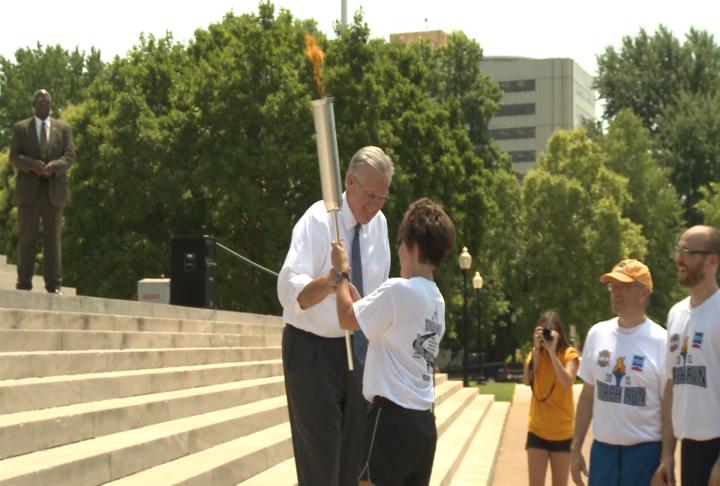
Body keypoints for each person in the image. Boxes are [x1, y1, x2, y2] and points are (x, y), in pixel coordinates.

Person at [277, 146, 394, 486]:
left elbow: (379, 288)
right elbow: (287, 290)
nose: (373, 206)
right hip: (312, 352)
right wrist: (330, 282)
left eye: (382, 198)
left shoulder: (380, 225)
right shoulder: (317, 219)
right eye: (369, 195)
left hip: (358, 353)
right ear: (349, 182)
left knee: (351, 468)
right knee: (321, 469)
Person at [331, 197, 456, 486]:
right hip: (424, 425)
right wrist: (365, 306)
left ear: (412, 245)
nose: (398, 249)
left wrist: (341, 274)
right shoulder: (437, 300)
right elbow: (391, 332)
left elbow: (346, 319)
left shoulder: (398, 290)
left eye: (400, 242)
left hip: (391, 421)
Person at [570, 259, 667, 486]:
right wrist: (575, 449)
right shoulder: (597, 333)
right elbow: (587, 397)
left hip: (645, 455)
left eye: (623, 287)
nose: (615, 292)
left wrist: (665, 461)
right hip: (603, 454)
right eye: (612, 286)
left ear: (643, 293)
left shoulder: (662, 341)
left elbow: (669, 409)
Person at [655, 225, 720, 486]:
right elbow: (671, 385)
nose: (679, 259)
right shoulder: (676, 314)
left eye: (688, 252)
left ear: (713, 261)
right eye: (678, 250)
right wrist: (667, 454)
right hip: (689, 449)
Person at [9, 89, 75, 294]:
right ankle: (23, 283)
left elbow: (70, 156)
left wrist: (53, 166)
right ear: (33, 105)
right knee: (26, 239)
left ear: (51, 104)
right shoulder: (21, 128)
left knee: (53, 240)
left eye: (46, 100)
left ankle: (54, 284)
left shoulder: (63, 128)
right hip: (29, 192)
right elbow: (14, 156)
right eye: (39, 100)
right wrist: (31, 165)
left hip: (54, 192)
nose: (43, 104)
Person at [523, 311, 580, 486]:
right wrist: (537, 350)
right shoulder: (535, 354)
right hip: (537, 430)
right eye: (544, 331)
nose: (547, 336)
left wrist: (553, 352)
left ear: (559, 333)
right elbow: (527, 380)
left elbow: (567, 382)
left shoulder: (569, 355)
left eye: (551, 331)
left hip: (561, 433)